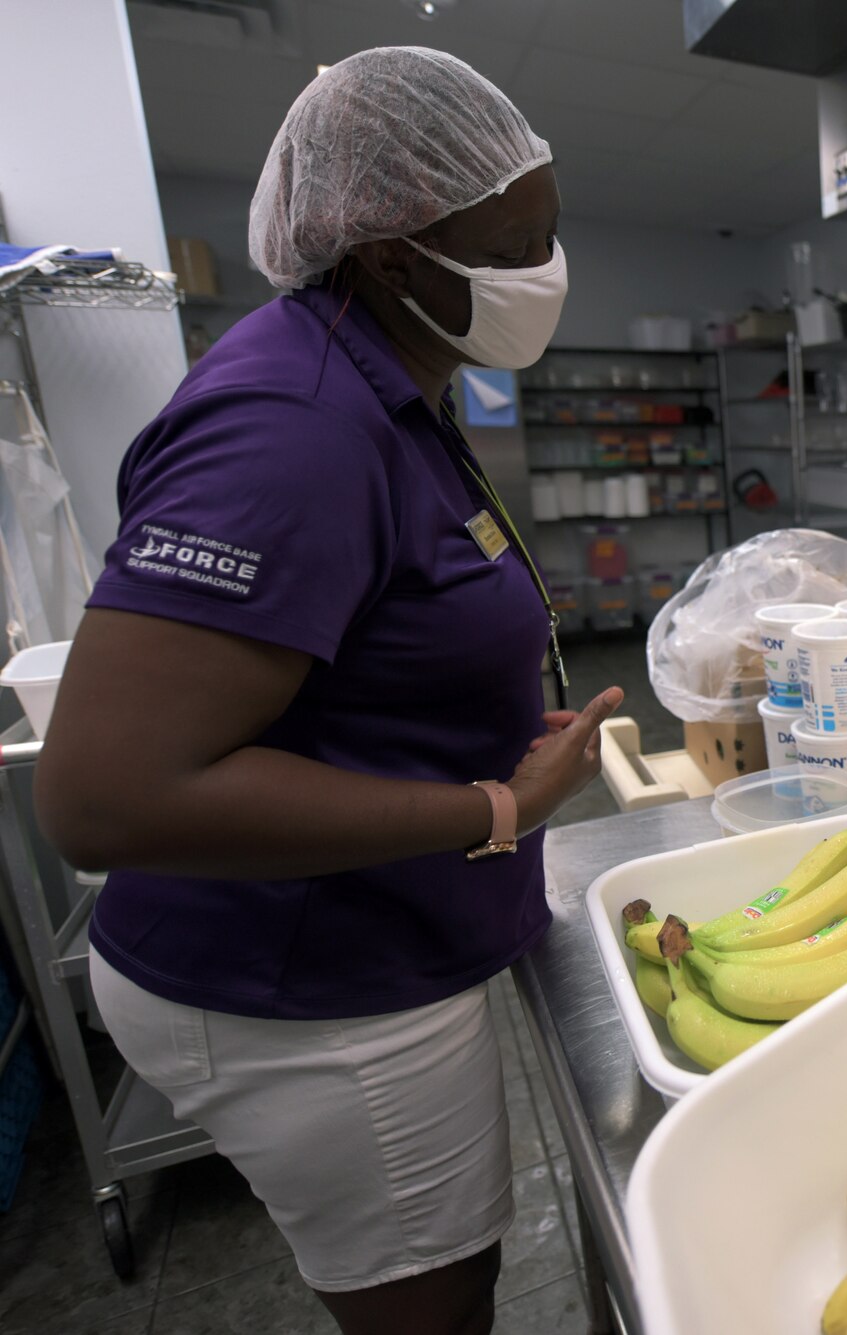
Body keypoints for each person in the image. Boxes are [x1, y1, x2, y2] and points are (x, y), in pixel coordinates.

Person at [35, 48, 621, 1335]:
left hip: (366, 950)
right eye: (516, 244)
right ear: (392, 254)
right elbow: (108, 796)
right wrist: (491, 807)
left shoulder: (379, 374)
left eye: (551, 234)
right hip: (305, 988)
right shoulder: (289, 426)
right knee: (433, 1300)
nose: (545, 271)